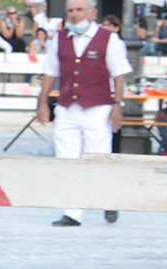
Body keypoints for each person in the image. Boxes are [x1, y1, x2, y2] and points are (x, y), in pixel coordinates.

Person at [37, 0, 131, 227]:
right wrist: (42, 102)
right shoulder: (59, 39)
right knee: (66, 159)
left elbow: (119, 75)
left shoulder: (109, 39)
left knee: (97, 156)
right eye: (70, 11)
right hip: (68, 106)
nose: (74, 15)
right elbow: (50, 72)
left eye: (79, 10)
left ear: (92, 13)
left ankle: (107, 199)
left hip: (97, 107)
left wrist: (117, 105)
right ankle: (72, 211)